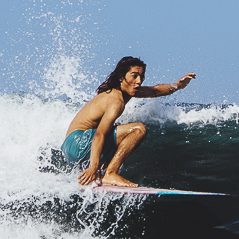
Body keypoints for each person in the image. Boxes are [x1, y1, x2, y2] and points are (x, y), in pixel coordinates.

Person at [62, 56, 195, 187]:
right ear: (121, 77)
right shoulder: (116, 100)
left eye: (141, 77)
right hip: (79, 142)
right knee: (138, 129)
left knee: (119, 140)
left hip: (70, 146)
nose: (139, 81)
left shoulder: (121, 90)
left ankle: (99, 175)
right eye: (134, 76)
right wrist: (94, 166)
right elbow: (100, 134)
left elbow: (155, 91)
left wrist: (178, 86)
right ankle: (110, 173)